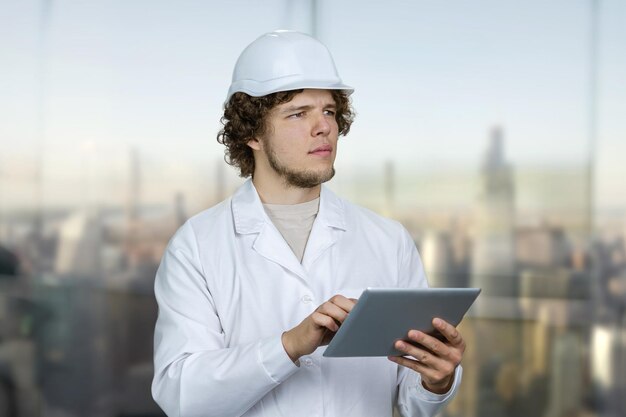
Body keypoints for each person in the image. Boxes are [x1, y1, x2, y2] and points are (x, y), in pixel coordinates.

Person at [152, 30, 466, 417]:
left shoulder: (388, 240)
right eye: (299, 113)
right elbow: (183, 397)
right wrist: (288, 346)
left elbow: (411, 402)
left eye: (329, 111)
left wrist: (437, 380)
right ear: (252, 132)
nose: (324, 127)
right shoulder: (197, 246)